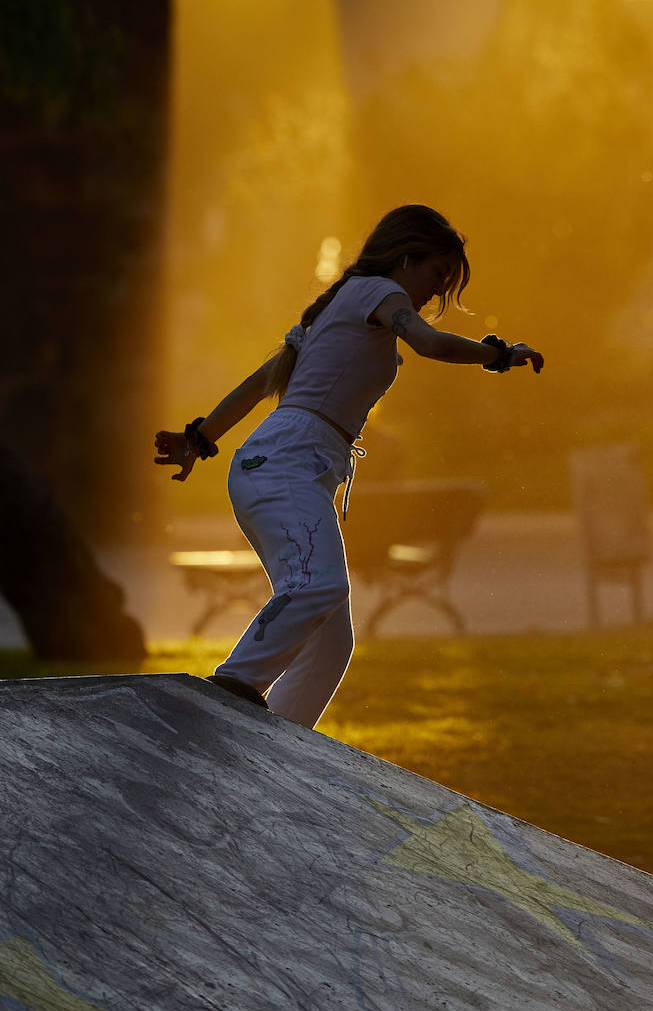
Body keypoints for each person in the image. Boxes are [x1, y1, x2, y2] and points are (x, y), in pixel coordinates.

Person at [154, 204, 543, 728]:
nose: (437, 290)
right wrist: (497, 354)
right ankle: (232, 688)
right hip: (285, 462)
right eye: (436, 273)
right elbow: (429, 344)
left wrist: (200, 439)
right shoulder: (381, 293)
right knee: (318, 584)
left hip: (282, 465)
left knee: (331, 646)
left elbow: (258, 384)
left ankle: (275, 747)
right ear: (406, 257)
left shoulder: (337, 307)